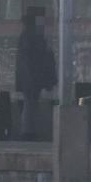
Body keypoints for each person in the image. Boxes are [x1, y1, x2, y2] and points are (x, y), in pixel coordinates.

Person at [13, 8, 56, 140]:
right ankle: (27, 132)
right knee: (30, 103)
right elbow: (32, 59)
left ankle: (29, 130)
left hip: (31, 77)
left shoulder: (29, 36)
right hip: (31, 78)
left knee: (31, 103)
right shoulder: (31, 37)